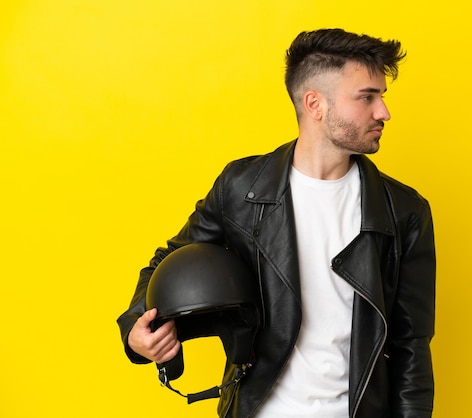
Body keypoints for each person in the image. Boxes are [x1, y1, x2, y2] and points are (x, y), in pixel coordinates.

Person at [117, 28, 436, 418]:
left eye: (381, 97)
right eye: (367, 97)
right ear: (315, 104)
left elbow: (411, 345)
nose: (383, 112)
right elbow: (168, 260)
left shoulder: (402, 210)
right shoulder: (241, 189)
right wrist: (137, 330)